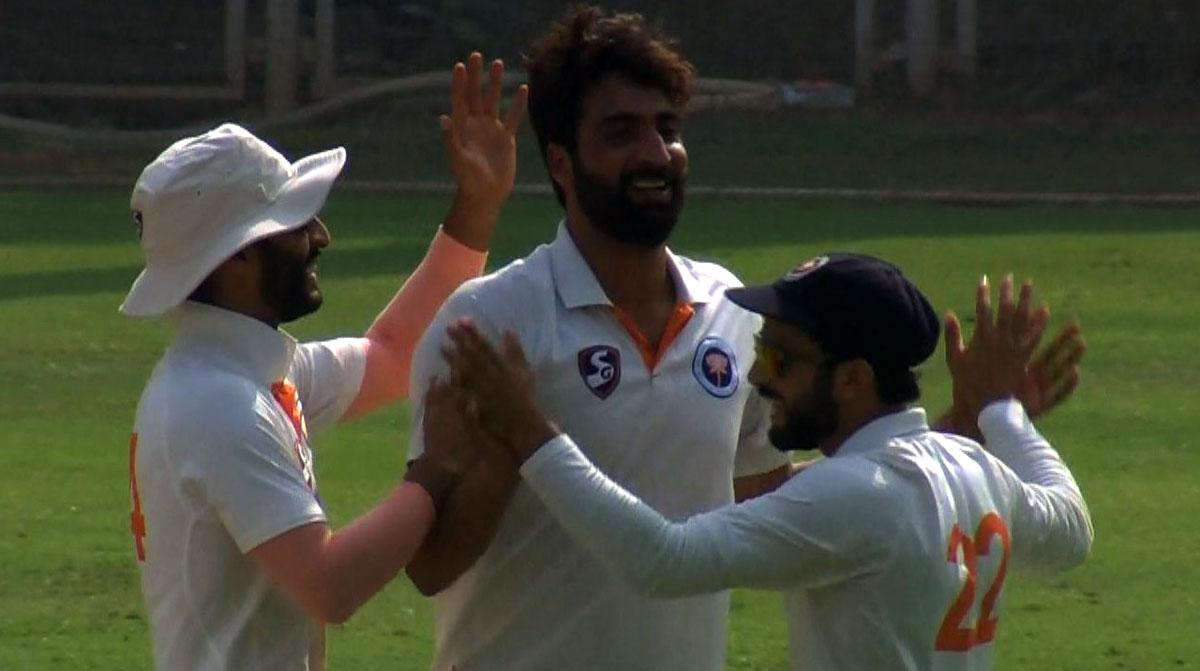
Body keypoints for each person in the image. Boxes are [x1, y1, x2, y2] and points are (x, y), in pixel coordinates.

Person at [403, 6, 1085, 670]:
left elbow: (782, 509)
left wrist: (939, 442)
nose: (653, 153)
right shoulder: (489, 324)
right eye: (620, 132)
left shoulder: (731, 311)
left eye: (667, 128)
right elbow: (429, 565)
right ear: (559, 162)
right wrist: (501, 462)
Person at [439, 256, 1094, 671]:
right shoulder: (969, 466)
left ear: (852, 380)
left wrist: (530, 430)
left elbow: (661, 559)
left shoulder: (858, 495)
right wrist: (1001, 412)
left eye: (782, 358)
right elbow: (1071, 528)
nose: (757, 375)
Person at [122, 55, 527, 670]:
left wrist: (476, 206)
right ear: (234, 259)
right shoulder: (222, 404)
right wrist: (436, 468)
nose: (320, 235)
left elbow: (393, 356)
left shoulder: (236, 374)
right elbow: (331, 584)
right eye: (292, 222)